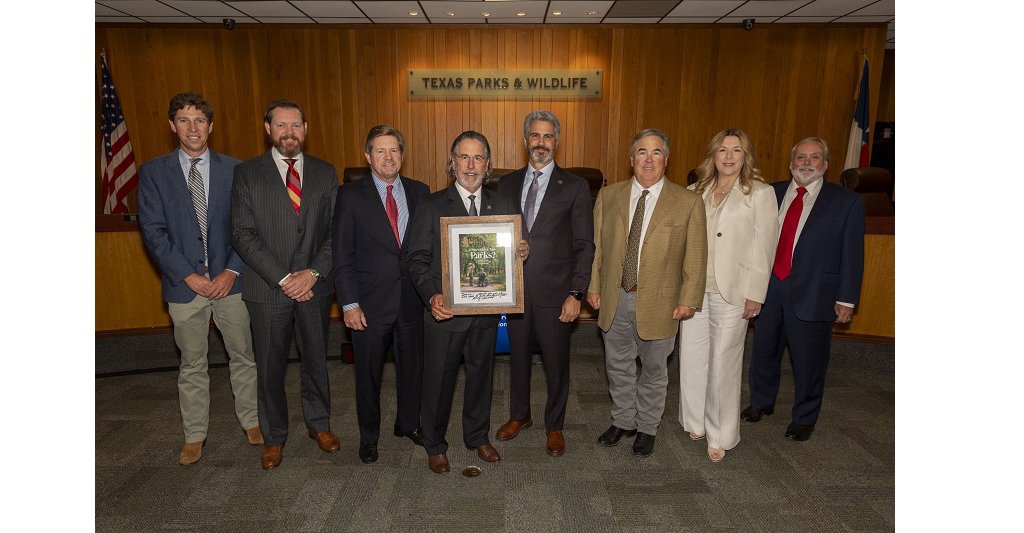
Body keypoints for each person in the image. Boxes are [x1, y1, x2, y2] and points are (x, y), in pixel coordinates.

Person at [138, 92, 260, 465]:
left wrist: (231, 270)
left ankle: (252, 421)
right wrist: (188, 275)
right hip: (183, 285)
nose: (193, 128)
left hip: (230, 282)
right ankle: (194, 436)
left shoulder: (236, 170)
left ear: (211, 126)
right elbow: (153, 232)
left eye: (200, 121)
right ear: (172, 125)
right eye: (184, 120)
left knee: (243, 355)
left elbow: (247, 227)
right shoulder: (153, 173)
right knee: (192, 363)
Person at [405, 130, 529, 475]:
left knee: (481, 377)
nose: (471, 165)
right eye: (464, 157)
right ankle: (434, 444)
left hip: (486, 313)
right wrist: (432, 295)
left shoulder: (502, 205)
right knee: (437, 381)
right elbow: (416, 260)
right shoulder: (431, 205)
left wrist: (521, 251)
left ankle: (477, 436)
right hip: (444, 312)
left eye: (478, 158)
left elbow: (515, 251)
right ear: (452, 162)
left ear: (488, 164)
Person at [231, 99, 340, 469]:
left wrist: (313, 273)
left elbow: (336, 231)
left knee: (316, 360)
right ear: (268, 129)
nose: (289, 132)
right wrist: (284, 278)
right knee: (270, 366)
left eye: (296, 125)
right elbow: (242, 234)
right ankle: (274, 436)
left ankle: (319, 424)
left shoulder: (326, 172)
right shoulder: (247, 173)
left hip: (315, 286)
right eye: (281, 125)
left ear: (305, 130)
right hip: (268, 288)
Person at [587, 128, 707, 458]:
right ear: (631, 159)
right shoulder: (609, 196)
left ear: (666, 159)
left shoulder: (688, 202)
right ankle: (623, 421)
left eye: (656, 152)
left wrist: (688, 300)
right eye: (642, 152)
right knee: (618, 366)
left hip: (661, 302)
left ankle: (647, 427)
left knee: (654, 370)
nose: (649, 159)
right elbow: (597, 249)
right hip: (615, 297)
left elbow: (696, 256)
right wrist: (593, 286)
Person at [742, 136, 864, 442]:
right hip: (768, 288)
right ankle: (761, 402)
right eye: (801, 157)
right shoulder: (770, 193)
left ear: (825, 164)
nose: (806, 163)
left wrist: (847, 299)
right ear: (791, 162)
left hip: (815, 292)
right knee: (763, 352)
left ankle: (804, 418)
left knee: (809, 361)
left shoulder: (846, 201)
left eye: (814, 157)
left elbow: (852, 254)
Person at [495, 111, 594, 457]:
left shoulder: (576, 186)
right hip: (515, 291)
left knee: (556, 364)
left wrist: (576, 294)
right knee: (517, 359)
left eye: (548, 136)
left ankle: (555, 425)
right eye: (535, 136)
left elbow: (584, 245)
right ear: (525, 141)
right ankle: (520, 415)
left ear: (556, 141)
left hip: (556, 293)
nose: (541, 143)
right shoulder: (506, 184)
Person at [677, 129, 778, 463]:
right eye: (723, 149)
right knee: (692, 357)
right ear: (713, 155)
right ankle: (694, 421)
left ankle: (720, 433)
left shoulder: (759, 193)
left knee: (724, 362)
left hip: (734, 290)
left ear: (745, 155)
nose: (729, 156)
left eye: (737, 150)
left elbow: (765, 247)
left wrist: (756, 294)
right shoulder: (695, 191)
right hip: (694, 289)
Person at [331, 125, 430, 464]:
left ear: (402, 155)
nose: (388, 157)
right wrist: (349, 303)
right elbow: (342, 254)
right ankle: (369, 437)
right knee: (368, 376)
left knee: (412, 370)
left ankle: (409, 424)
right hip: (368, 305)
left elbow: (428, 247)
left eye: (394, 150)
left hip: (412, 301)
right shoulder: (349, 196)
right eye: (380, 151)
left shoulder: (420, 192)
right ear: (368, 156)